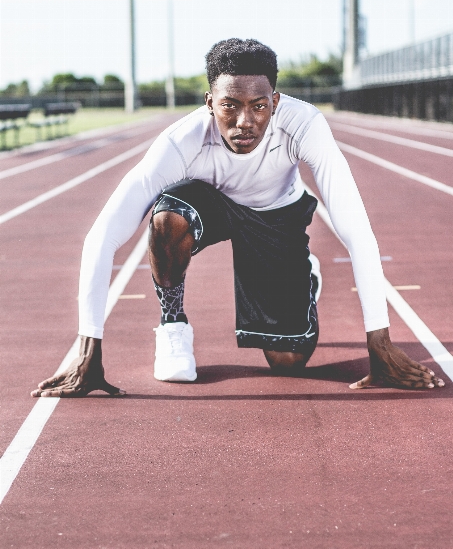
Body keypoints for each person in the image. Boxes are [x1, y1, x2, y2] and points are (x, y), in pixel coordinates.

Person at [31, 38, 444, 398]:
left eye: (258, 107)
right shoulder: (181, 142)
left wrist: (380, 341)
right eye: (229, 106)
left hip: (276, 215)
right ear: (210, 102)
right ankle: (173, 326)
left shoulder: (305, 125)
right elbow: (102, 235)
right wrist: (88, 349)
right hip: (212, 206)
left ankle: (307, 279)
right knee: (167, 217)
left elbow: (356, 229)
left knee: (288, 361)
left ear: (275, 102)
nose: (244, 122)